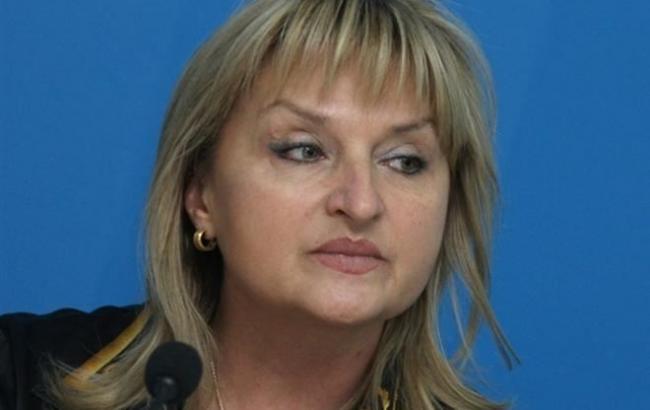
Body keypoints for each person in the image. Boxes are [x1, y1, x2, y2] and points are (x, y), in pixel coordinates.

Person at [0, 0, 517, 409]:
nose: (361, 203)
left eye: (404, 161)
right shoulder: (17, 374)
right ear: (201, 195)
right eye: (304, 150)